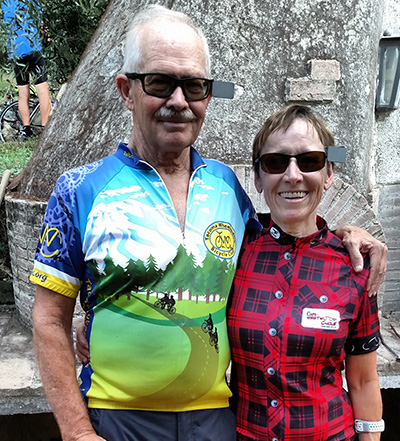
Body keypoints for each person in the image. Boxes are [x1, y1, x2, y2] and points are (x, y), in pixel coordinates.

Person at [32, 5, 386, 441]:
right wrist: (76, 432)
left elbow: (285, 241)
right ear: (126, 90)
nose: (179, 101)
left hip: (216, 422)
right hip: (116, 422)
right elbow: (48, 320)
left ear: (207, 97)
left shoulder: (227, 188)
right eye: (160, 82)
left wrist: (348, 234)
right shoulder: (78, 190)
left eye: (194, 86)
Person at [227, 104, 383, 441]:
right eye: (276, 162)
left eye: (309, 161)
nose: (293, 175)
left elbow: (363, 380)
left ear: (328, 174)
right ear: (258, 178)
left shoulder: (355, 266)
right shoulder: (235, 254)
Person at [2, 0, 51, 138]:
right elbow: (41, 25)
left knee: (23, 93)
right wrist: (47, 38)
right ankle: (45, 128)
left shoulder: (6, 3)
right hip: (33, 49)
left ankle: (26, 129)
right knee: (43, 91)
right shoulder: (33, 2)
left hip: (16, 53)